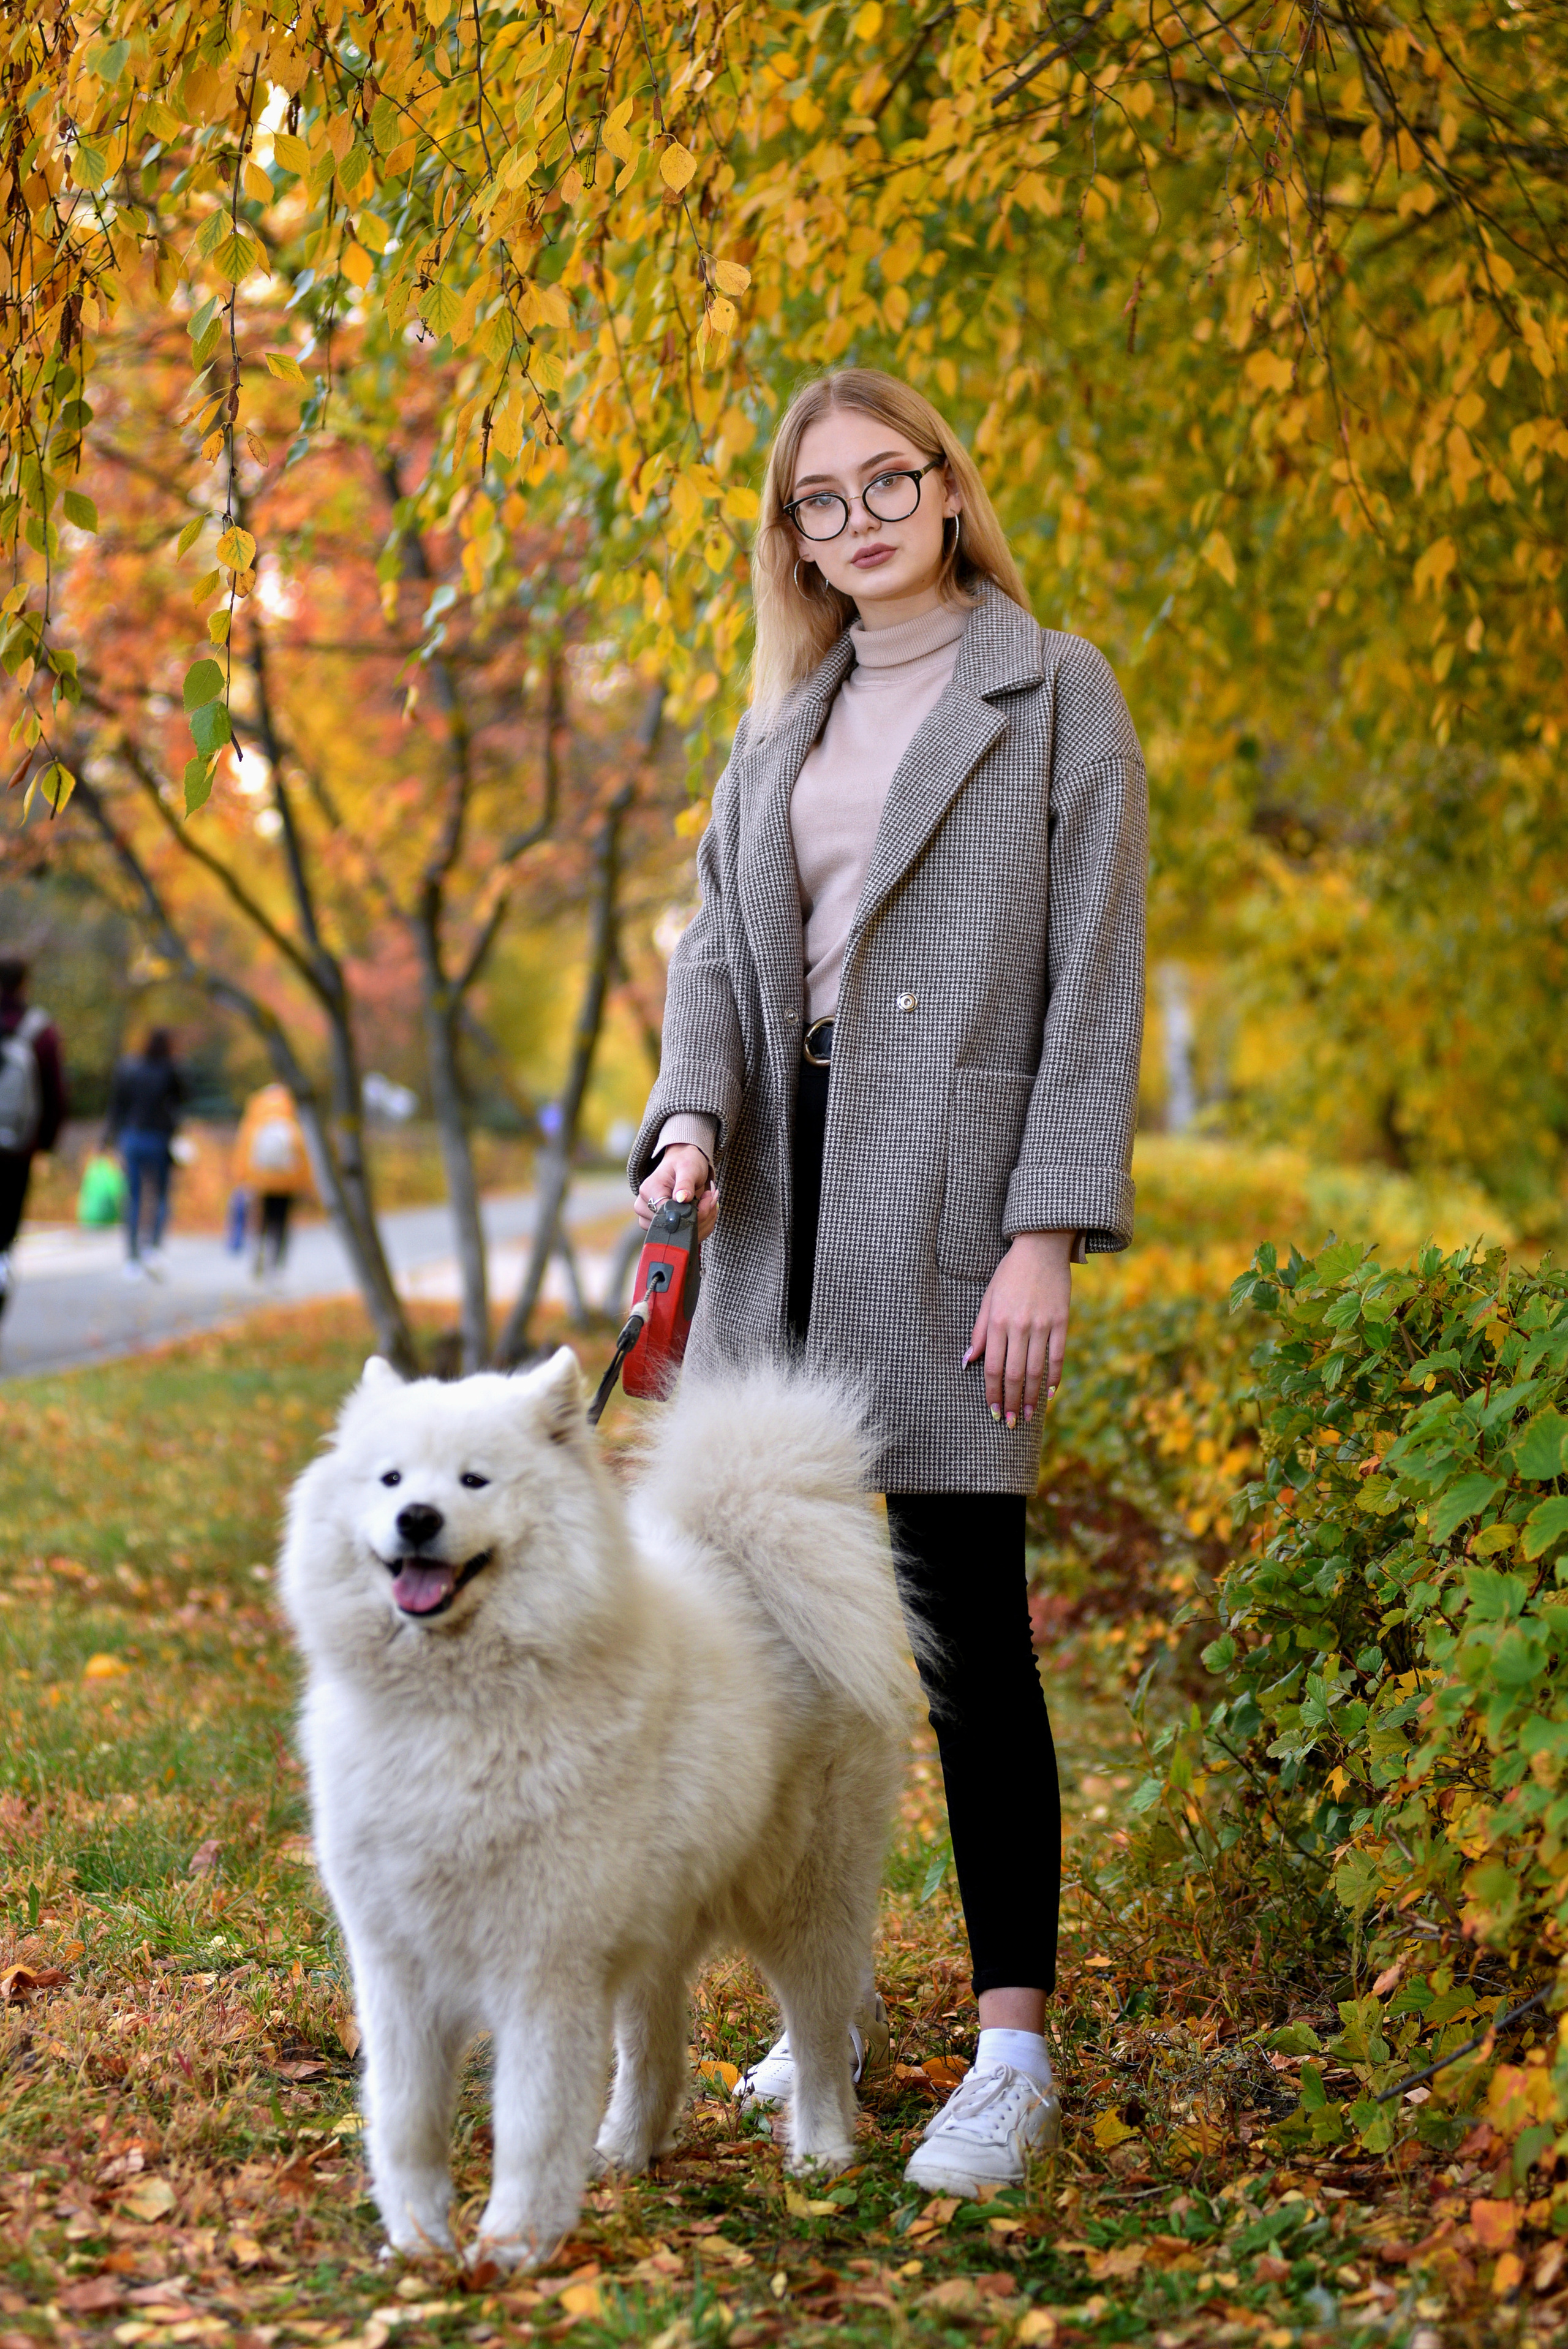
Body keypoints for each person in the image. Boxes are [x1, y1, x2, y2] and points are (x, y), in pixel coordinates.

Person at [628, 369, 1147, 2195]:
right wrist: (686, 1124)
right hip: (776, 1207)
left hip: (949, 1209)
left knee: (963, 1639)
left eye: (882, 482)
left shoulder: (1053, 691)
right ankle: (820, 2006)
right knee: (768, 1651)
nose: (854, 519)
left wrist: (1042, 1234)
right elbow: (713, 960)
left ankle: (1010, 2053)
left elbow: (1094, 980)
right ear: (792, 538)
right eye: (817, 500)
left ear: (942, 486)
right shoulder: (777, 729)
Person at [0, 956, 67, 1322]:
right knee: (6, 1229)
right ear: (25, 983)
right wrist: (45, 1143)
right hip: (16, 1149)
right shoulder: (40, 1030)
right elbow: (55, 1095)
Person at [105, 1028, 185, 1279]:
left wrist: (107, 1138)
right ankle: (154, 1248)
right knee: (160, 1196)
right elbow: (184, 1098)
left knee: (134, 1197)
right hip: (159, 1138)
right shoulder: (169, 1070)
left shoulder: (130, 1069)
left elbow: (117, 1106)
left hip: (132, 1137)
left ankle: (132, 1258)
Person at [232, 1081, 314, 1282]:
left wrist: (242, 1176)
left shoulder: (257, 1107)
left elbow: (245, 1142)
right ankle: (277, 1265)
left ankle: (259, 1248)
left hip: (261, 1174)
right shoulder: (293, 1107)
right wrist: (307, 1182)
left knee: (262, 1217)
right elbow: (303, 1146)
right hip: (288, 1175)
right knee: (282, 1220)